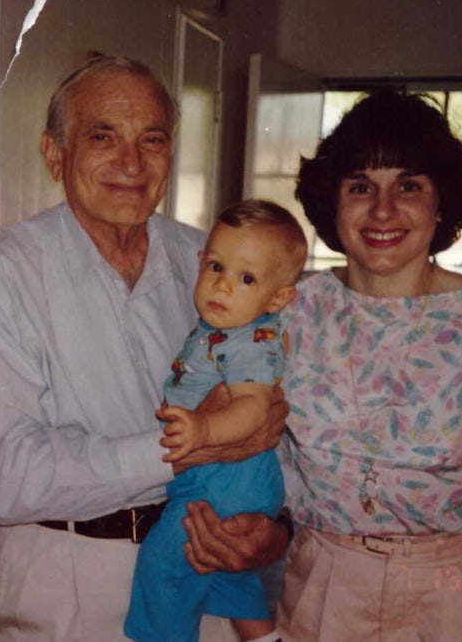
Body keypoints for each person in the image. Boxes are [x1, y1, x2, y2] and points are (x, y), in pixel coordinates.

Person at [0, 55, 291, 642]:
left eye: (152, 139)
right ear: (55, 154)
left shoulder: (212, 262)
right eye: (102, 136)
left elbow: (273, 418)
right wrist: (183, 451)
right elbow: (10, 476)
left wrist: (276, 528)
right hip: (69, 584)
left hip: (208, 560)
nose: (132, 163)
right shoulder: (3, 275)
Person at [275, 90, 462, 641]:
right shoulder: (287, 315)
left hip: (458, 597)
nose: (383, 210)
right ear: (331, 202)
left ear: (440, 202)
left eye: (408, 186)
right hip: (323, 588)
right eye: (360, 186)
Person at [125, 200, 307, 642]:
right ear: (199, 262)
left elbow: (253, 408)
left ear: (278, 298)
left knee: (164, 563)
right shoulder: (224, 328)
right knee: (224, 570)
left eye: (246, 279)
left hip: (226, 480)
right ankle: (263, 637)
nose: (223, 286)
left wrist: (204, 429)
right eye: (217, 267)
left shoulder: (251, 343)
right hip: (230, 479)